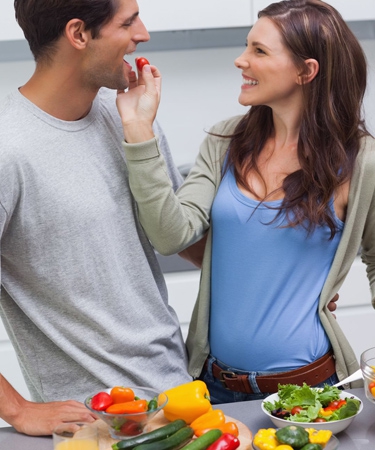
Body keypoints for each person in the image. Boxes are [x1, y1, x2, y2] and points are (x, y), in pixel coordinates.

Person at [116, 0, 375, 404]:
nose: (241, 61)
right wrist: (138, 129)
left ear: (306, 71)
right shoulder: (225, 141)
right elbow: (171, 236)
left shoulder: (362, 162)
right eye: (245, 46)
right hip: (213, 385)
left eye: (259, 51)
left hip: (309, 391)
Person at [0, 0, 196, 436]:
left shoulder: (127, 114)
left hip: (182, 402)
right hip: (96, 428)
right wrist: (16, 409)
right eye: (128, 22)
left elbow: (185, 241)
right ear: (79, 34)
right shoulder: (8, 150)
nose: (143, 33)